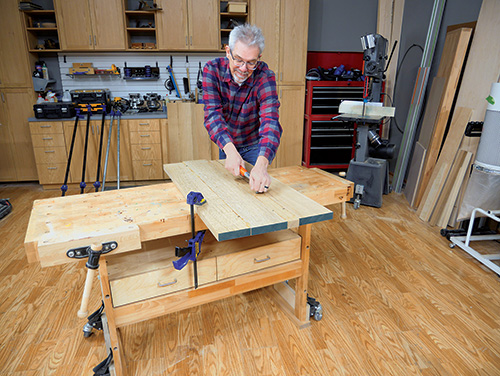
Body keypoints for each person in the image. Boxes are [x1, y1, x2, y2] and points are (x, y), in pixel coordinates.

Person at [202, 24, 282, 193]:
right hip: (228, 144)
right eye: (238, 59)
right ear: (227, 51)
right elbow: (212, 115)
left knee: (260, 191)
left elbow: (270, 122)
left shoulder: (265, 77)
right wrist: (230, 151)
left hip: (255, 147)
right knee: (230, 194)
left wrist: (261, 164)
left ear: (259, 58)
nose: (243, 69)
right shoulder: (212, 70)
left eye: (251, 62)